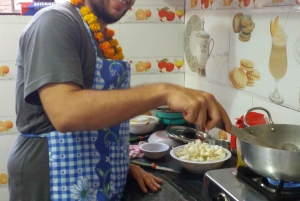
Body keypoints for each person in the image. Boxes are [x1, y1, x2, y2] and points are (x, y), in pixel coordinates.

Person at [7, 0, 232, 200]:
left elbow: (98, 118)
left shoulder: (98, 36)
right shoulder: (55, 21)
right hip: (50, 179)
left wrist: (120, 166)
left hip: (91, 175)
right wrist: (164, 91)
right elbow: (66, 113)